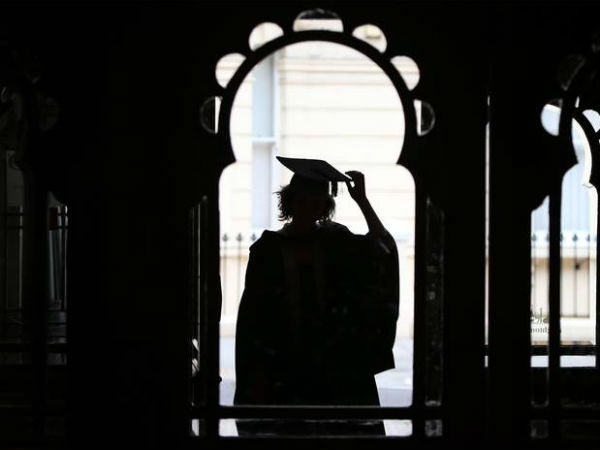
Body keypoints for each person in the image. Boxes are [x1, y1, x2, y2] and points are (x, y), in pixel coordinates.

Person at [233, 157, 399, 435]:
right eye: (305, 200)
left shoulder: (337, 242)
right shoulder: (267, 251)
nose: (311, 206)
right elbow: (254, 321)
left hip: (335, 368)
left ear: (325, 205)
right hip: (284, 371)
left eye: (318, 200)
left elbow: (382, 249)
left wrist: (362, 200)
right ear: (292, 202)